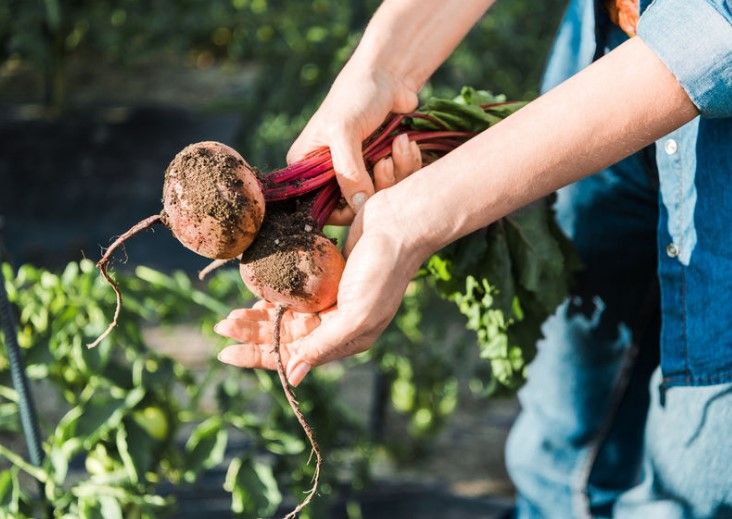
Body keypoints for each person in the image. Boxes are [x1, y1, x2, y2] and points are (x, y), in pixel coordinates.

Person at [214, 0, 732, 516]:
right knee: (564, 423)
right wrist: (379, 70)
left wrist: (412, 220)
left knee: (689, 480)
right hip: (607, 46)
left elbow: (712, 36)